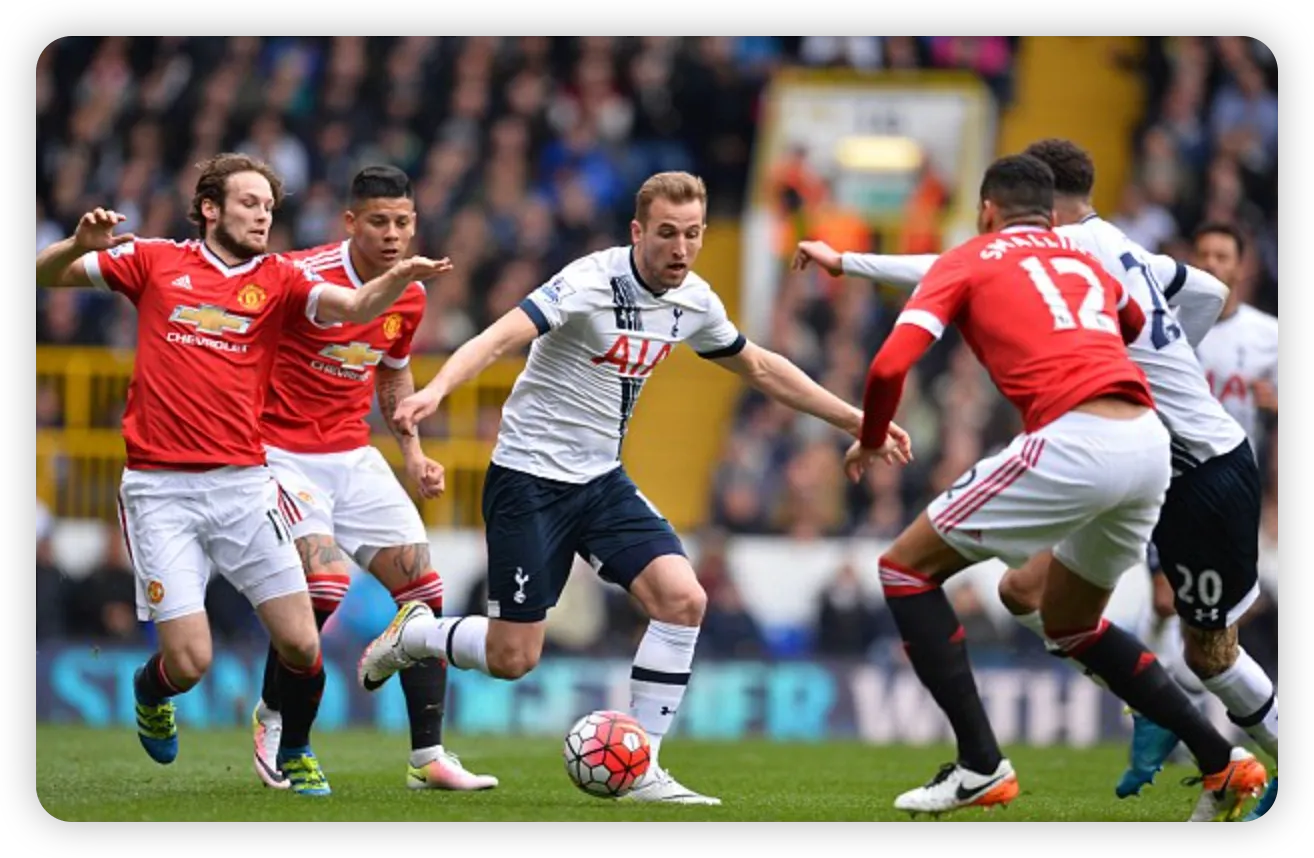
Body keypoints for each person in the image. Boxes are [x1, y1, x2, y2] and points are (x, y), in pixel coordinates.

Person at [356, 171, 912, 805]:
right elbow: (499, 337)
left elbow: (759, 365)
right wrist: (435, 391)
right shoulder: (590, 281)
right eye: (668, 233)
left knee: (683, 599)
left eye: (693, 234)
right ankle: (416, 634)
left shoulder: (693, 300)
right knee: (513, 658)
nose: (682, 248)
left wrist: (859, 421)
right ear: (637, 231)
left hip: (600, 481)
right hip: (529, 480)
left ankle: (642, 764)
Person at [804, 139, 1279, 818]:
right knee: (1065, 618)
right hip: (1151, 447)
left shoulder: (974, 257)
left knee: (905, 570)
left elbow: (886, 367)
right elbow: (1142, 317)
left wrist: (872, 437)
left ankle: (980, 765)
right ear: (1049, 216)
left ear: (986, 212)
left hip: (1085, 441)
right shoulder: (1089, 257)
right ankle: (1218, 759)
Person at [33, 153, 453, 797]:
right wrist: (77, 245)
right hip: (159, 490)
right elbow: (46, 274)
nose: (263, 217)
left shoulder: (279, 277)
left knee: (303, 642)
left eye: (269, 207)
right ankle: (151, 689)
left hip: (242, 485)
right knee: (190, 662)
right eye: (250, 204)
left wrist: (397, 278)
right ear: (210, 208)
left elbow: (352, 306)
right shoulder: (153, 260)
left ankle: (295, 749)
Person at [249, 165, 498, 793]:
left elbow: (391, 370)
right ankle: (276, 717)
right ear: (350, 222)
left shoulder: (409, 295)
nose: (393, 234)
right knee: (324, 586)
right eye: (379, 222)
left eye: (403, 222)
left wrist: (412, 450)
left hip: (352, 454)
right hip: (281, 453)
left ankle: (427, 757)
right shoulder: (302, 276)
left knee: (424, 591)